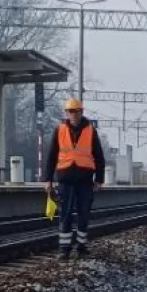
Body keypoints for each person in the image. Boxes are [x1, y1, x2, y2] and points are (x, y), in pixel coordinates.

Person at [44, 97, 105, 259]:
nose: (73, 114)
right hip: (65, 180)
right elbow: (51, 156)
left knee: (84, 214)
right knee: (65, 214)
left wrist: (99, 179)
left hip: (85, 181)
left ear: (81, 112)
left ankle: (82, 247)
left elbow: (99, 156)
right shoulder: (59, 130)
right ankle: (64, 249)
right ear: (66, 113)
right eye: (70, 111)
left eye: (76, 111)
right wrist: (48, 180)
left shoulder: (91, 131)